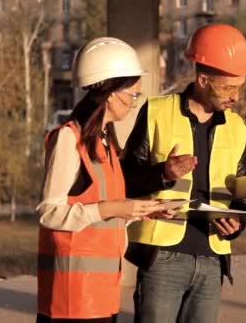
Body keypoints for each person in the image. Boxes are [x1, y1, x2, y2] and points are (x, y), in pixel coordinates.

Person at [120, 23, 246, 323]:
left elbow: (241, 195)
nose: (236, 97)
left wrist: (237, 220)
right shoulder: (156, 111)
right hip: (162, 259)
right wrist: (164, 173)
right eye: (228, 87)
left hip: (212, 259)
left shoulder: (238, 128)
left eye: (240, 87)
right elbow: (126, 179)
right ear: (203, 79)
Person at [36, 37, 170, 322]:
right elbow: (50, 212)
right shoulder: (68, 139)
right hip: (70, 301)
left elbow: (103, 214)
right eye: (132, 94)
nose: (135, 103)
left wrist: (143, 211)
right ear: (110, 92)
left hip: (102, 296)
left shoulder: (106, 143)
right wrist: (114, 209)